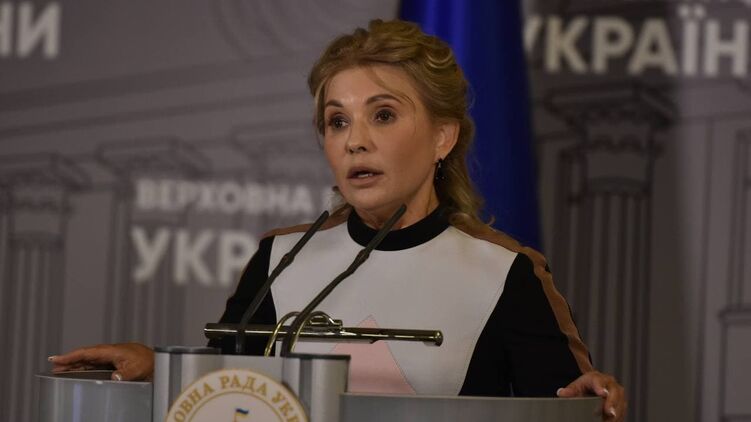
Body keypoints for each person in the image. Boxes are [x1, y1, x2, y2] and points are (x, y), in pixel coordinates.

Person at [50, 19, 626, 420]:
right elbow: (225, 390)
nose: (355, 141)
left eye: (383, 115)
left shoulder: (505, 273)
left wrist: (588, 398)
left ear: (443, 137)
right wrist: (155, 369)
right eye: (337, 121)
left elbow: (566, 406)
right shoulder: (280, 260)